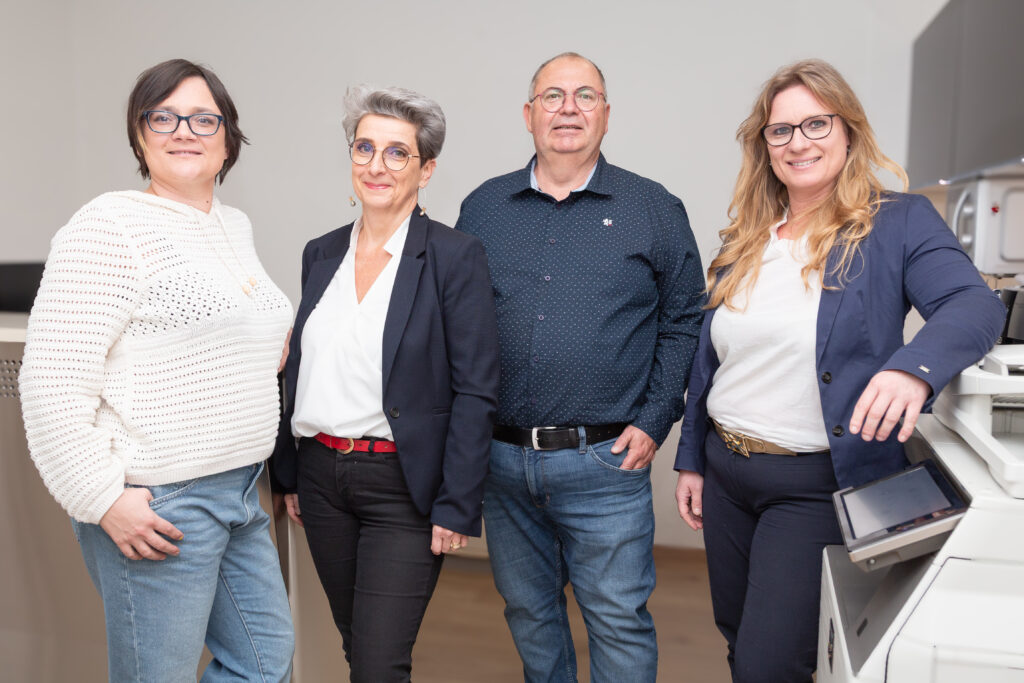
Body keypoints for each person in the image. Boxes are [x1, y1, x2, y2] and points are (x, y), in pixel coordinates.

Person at [674, 59, 1005, 683]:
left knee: (770, 664)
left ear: (848, 131)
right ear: (764, 144)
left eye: (816, 124)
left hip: (814, 486)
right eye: (781, 130)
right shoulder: (745, 240)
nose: (798, 142)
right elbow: (712, 360)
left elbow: (975, 303)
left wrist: (914, 369)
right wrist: (692, 456)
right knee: (738, 638)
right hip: (726, 477)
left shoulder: (896, 222)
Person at [19, 59, 295, 682]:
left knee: (263, 665)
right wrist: (103, 498)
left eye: (203, 117)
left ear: (228, 138)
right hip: (162, 500)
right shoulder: (108, 226)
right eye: (162, 116)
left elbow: (218, 325)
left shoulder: (231, 224)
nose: (184, 130)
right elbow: (51, 382)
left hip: (241, 488)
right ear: (140, 136)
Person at [455, 52, 706, 682]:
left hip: (606, 463)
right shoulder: (483, 207)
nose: (568, 108)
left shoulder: (653, 207)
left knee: (617, 618)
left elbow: (686, 322)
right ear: (528, 114)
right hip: (502, 463)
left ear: (605, 114)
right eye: (552, 96)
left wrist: (654, 421)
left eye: (584, 95)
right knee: (529, 613)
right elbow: (456, 325)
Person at [272, 85, 499, 683]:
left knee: (378, 662)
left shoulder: (454, 255)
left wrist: (457, 502)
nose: (376, 165)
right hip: (321, 481)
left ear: (426, 170)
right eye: (364, 148)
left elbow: (477, 388)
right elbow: (302, 366)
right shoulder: (320, 254)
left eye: (397, 153)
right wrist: (291, 474)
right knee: (358, 646)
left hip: (404, 486)